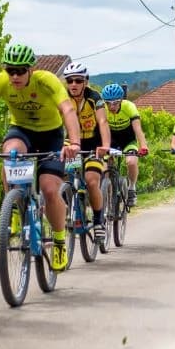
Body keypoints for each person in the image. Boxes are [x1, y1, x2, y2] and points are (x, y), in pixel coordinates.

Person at [0, 42, 84, 272]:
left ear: (30, 69)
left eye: (20, 70)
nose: (14, 76)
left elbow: (68, 111)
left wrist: (74, 143)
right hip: (22, 131)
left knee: (50, 189)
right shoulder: (0, 81)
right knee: (11, 154)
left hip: (51, 135)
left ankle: (60, 241)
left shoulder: (47, 81)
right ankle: (14, 206)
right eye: (9, 70)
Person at [59, 61, 112, 246]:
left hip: (94, 144)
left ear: (85, 82)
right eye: (70, 81)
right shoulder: (62, 98)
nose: (73, 84)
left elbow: (103, 122)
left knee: (91, 181)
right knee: (60, 174)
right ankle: (66, 205)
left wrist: (105, 145)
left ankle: (98, 221)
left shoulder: (94, 97)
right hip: (71, 141)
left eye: (78, 81)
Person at [100, 83, 150, 206]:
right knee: (104, 168)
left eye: (115, 103)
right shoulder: (102, 109)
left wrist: (143, 146)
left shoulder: (129, 107)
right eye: (108, 103)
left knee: (131, 162)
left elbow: (138, 129)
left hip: (128, 140)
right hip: (110, 141)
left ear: (121, 100)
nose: (111, 106)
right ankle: (108, 195)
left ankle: (132, 188)